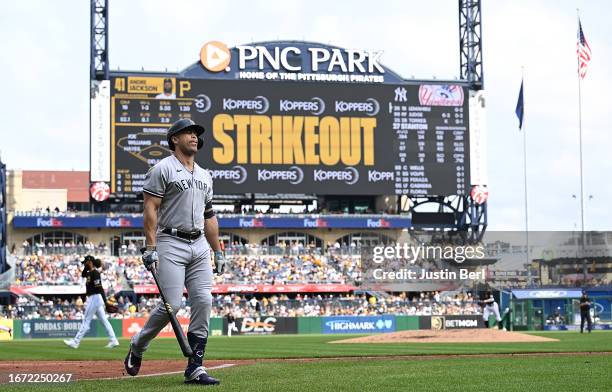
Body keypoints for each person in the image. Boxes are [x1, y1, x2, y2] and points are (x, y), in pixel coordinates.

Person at [124, 119, 227, 385]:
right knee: (172, 304)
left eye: (196, 133)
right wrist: (150, 246)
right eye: (188, 132)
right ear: (174, 139)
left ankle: (196, 366)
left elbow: (209, 216)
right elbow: (150, 209)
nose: (194, 136)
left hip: (200, 244)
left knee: (204, 300)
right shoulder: (162, 169)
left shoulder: (205, 175)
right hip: (170, 241)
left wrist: (218, 251)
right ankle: (138, 344)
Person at [64, 256, 119, 349]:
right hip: (94, 298)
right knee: (104, 320)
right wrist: (87, 266)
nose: (84, 263)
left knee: (86, 320)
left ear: (90, 262)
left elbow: (99, 288)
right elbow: (83, 274)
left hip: (95, 298)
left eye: (86, 262)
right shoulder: (90, 272)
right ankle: (114, 340)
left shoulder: (95, 273)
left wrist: (105, 302)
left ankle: (75, 342)